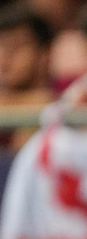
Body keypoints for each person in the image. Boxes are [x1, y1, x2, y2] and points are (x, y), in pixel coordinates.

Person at [0, 5, 55, 150]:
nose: (4, 58)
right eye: (1, 47)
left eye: (16, 47)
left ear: (44, 55)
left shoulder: (64, 101)